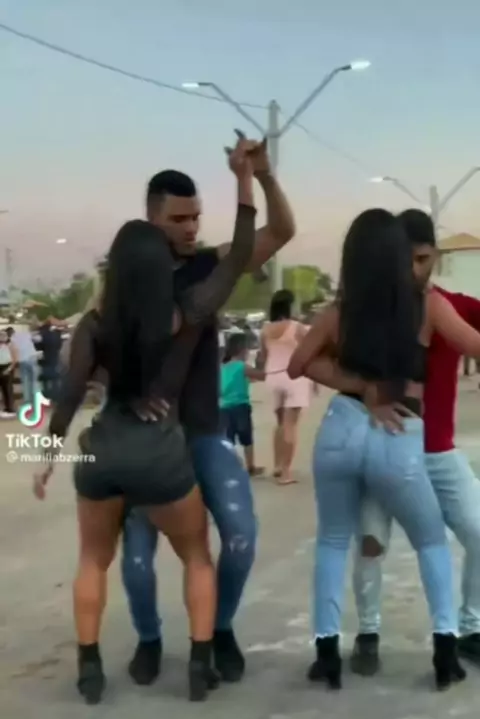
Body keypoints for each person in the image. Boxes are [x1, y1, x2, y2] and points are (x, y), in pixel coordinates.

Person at [33, 141, 257, 706]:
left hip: (103, 451)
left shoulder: (93, 324)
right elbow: (239, 255)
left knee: (93, 559)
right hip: (161, 453)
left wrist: (46, 457)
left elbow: (69, 393)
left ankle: (89, 669)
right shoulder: (186, 314)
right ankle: (200, 664)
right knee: (196, 555)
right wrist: (245, 182)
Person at [121, 133, 295, 688]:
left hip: (203, 432)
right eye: (179, 219)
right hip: (147, 442)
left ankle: (218, 628)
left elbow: (280, 232)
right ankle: (149, 638)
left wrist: (261, 175)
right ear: (152, 220)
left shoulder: (207, 267)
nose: (191, 227)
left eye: (196, 216)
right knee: (138, 559)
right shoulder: (126, 280)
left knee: (241, 537)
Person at [288, 207, 480, 692]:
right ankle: (443, 649)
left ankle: (327, 651)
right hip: (400, 435)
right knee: (428, 542)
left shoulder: (342, 311)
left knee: (335, 542)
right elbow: (475, 344)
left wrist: (361, 387)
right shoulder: (426, 306)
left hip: (344, 429)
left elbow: (298, 364)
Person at [260, 289, 311, 484]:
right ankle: (286, 473)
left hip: (273, 377)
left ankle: (277, 465)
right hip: (293, 378)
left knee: (280, 423)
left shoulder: (265, 330)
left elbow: (264, 356)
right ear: (289, 306)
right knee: (291, 425)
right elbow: (308, 353)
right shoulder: (297, 328)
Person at [220, 332, 265, 475]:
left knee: (228, 438)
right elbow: (262, 376)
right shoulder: (242, 367)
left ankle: (229, 466)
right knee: (246, 437)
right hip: (240, 406)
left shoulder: (222, 367)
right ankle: (251, 466)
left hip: (223, 408)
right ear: (242, 350)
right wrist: (261, 363)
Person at [10, 321, 38, 405]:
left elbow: (13, 351)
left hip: (22, 360)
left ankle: (27, 400)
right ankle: (35, 399)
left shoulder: (12, 339)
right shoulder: (25, 334)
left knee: (25, 381)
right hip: (32, 358)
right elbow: (37, 338)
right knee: (33, 380)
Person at [37, 318, 63, 401]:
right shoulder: (56, 335)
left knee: (45, 378)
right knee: (55, 377)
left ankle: (46, 394)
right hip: (55, 357)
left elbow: (39, 346)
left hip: (45, 358)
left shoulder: (42, 335)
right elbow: (59, 345)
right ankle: (56, 394)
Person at [0, 329, 17, 418]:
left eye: (3, 335)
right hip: (0, 366)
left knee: (8, 389)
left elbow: (15, 358)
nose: (2, 337)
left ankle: (10, 408)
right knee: (3, 389)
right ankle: (6, 408)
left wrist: (9, 369)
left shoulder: (11, 345)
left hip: (8, 366)